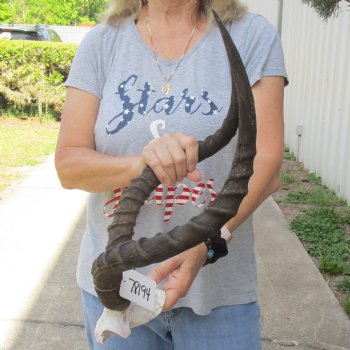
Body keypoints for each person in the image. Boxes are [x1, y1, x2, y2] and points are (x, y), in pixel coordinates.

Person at [55, 0, 288, 349]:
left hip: (218, 296)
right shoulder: (103, 42)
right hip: (117, 291)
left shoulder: (251, 36)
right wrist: (140, 166)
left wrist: (206, 245)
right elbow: (69, 164)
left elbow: (265, 166)